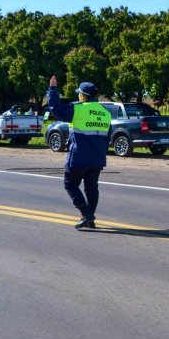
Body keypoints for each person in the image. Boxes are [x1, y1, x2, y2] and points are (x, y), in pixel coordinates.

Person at [46, 75, 111, 230]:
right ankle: (89, 217)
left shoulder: (78, 109)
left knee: (70, 184)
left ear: (83, 96)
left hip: (79, 157)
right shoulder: (105, 113)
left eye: (79, 94)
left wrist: (53, 90)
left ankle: (87, 215)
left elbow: (55, 109)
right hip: (97, 158)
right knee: (91, 187)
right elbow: (107, 138)